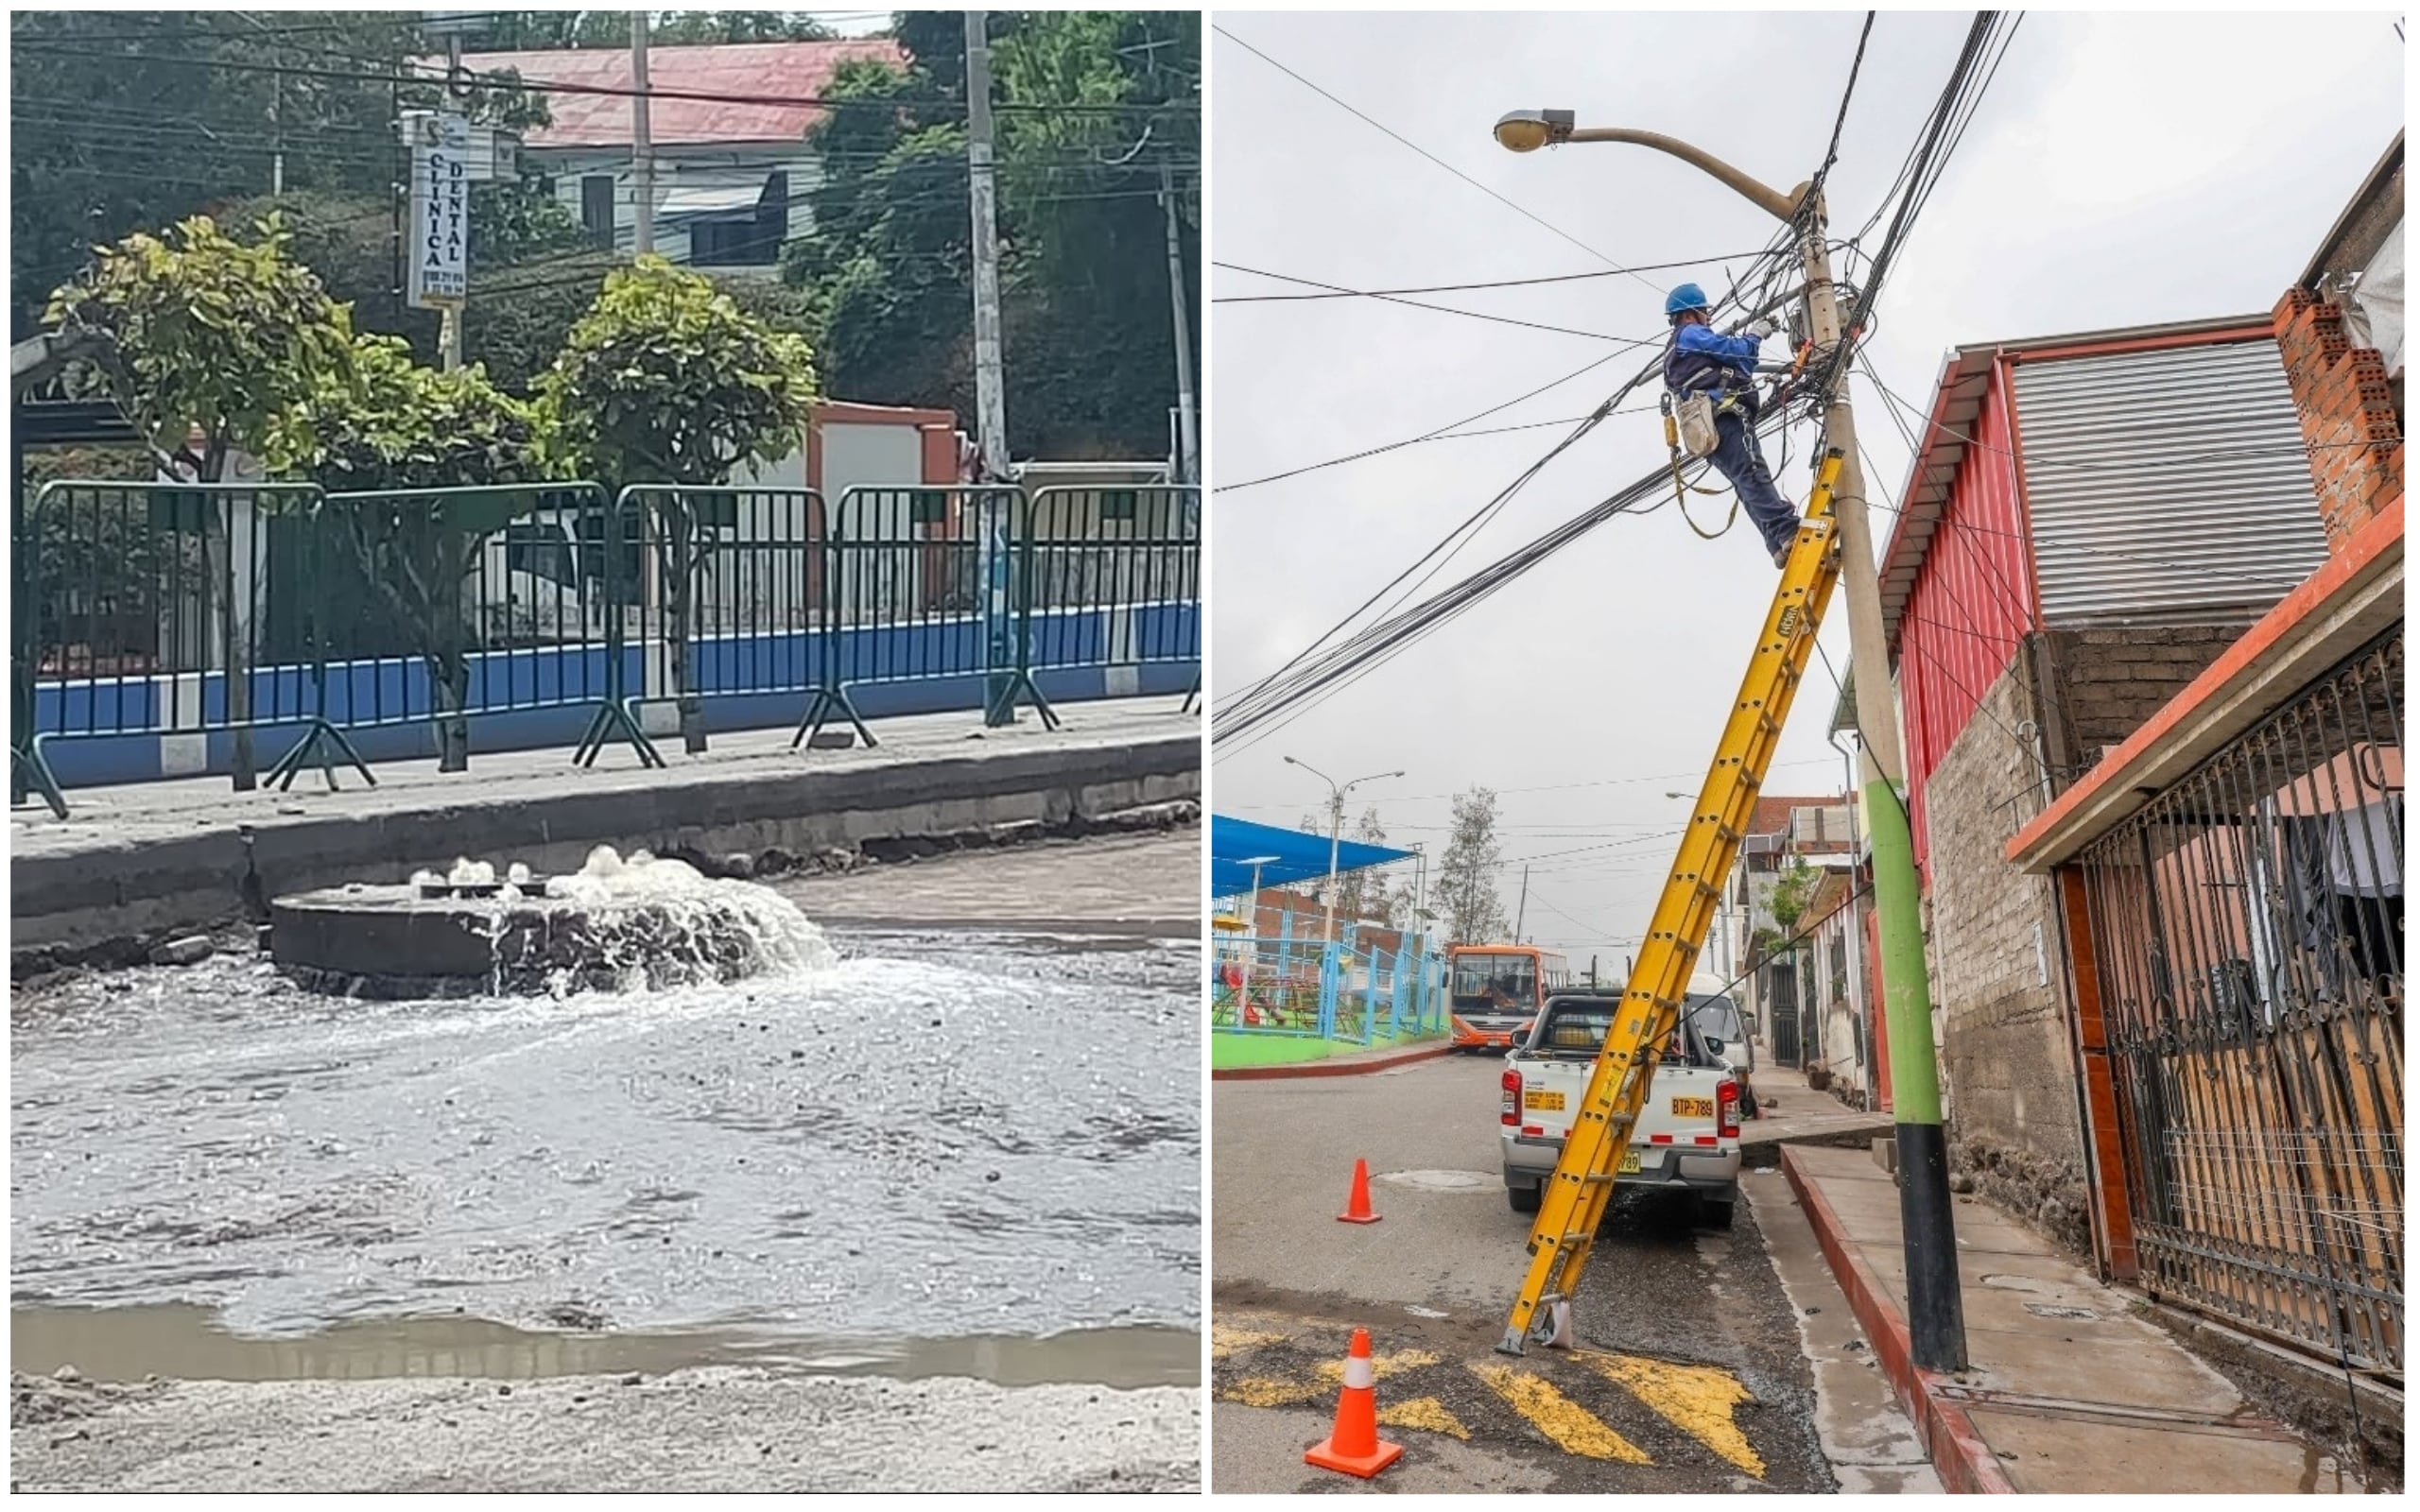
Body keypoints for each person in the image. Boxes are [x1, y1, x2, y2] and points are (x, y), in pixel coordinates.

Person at [1662, 283, 1801, 567]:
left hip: (1708, 431)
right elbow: (1737, 352)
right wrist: (1755, 335)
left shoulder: (1675, 351)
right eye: (1703, 312)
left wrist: (1748, 349)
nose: (1707, 318)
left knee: (1744, 481)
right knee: (1751, 473)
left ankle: (1776, 543)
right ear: (1689, 314)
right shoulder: (1690, 333)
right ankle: (1787, 531)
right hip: (1723, 419)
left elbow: (1742, 366)